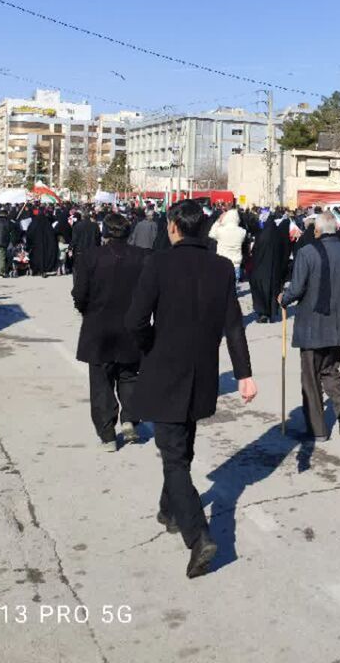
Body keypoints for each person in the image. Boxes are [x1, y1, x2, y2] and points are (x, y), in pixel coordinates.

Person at [124, 199, 256, 580]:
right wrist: (244, 373)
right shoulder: (220, 268)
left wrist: (149, 343)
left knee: (175, 457)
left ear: (173, 227)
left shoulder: (158, 263)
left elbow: (135, 319)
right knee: (181, 445)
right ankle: (170, 509)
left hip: (165, 368)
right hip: (202, 371)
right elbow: (234, 325)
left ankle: (198, 535)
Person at [279, 211, 340, 440]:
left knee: (311, 376)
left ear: (317, 230)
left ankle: (318, 430)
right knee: (330, 369)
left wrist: (283, 299)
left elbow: (296, 289)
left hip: (311, 326)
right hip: (337, 324)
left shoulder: (307, 252)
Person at [73, 213, 147, 450]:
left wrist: (84, 309)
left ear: (105, 231)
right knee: (129, 375)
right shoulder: (141, 257)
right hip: (130, 326)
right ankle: (129, 419)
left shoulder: (91, 256)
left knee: (101, 382)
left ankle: (107, 434)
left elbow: (79, 292)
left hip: (99, 326)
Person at [248, 218, 288, 323]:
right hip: (274, 270)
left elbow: (254, 251)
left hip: (260, 270)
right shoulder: (278, 236)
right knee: (273, 291)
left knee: (260, 291)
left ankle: (262, 313)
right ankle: (272, 312)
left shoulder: (260, 236)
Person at [210, 206, 247, 280]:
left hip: (222, 262)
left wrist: (218, 221)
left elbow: (211, 234)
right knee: (233, 289)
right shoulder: (242, 232)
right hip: (236, 264)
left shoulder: (221, 230)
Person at [26, 209, 58, 277]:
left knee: (37, 257)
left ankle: (37, 269)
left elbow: (29, 233)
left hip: (36, 245)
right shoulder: (47, 224)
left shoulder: (34, 223)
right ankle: (44, 269)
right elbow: (52, 235)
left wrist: (29, 244)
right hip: (46, 245)